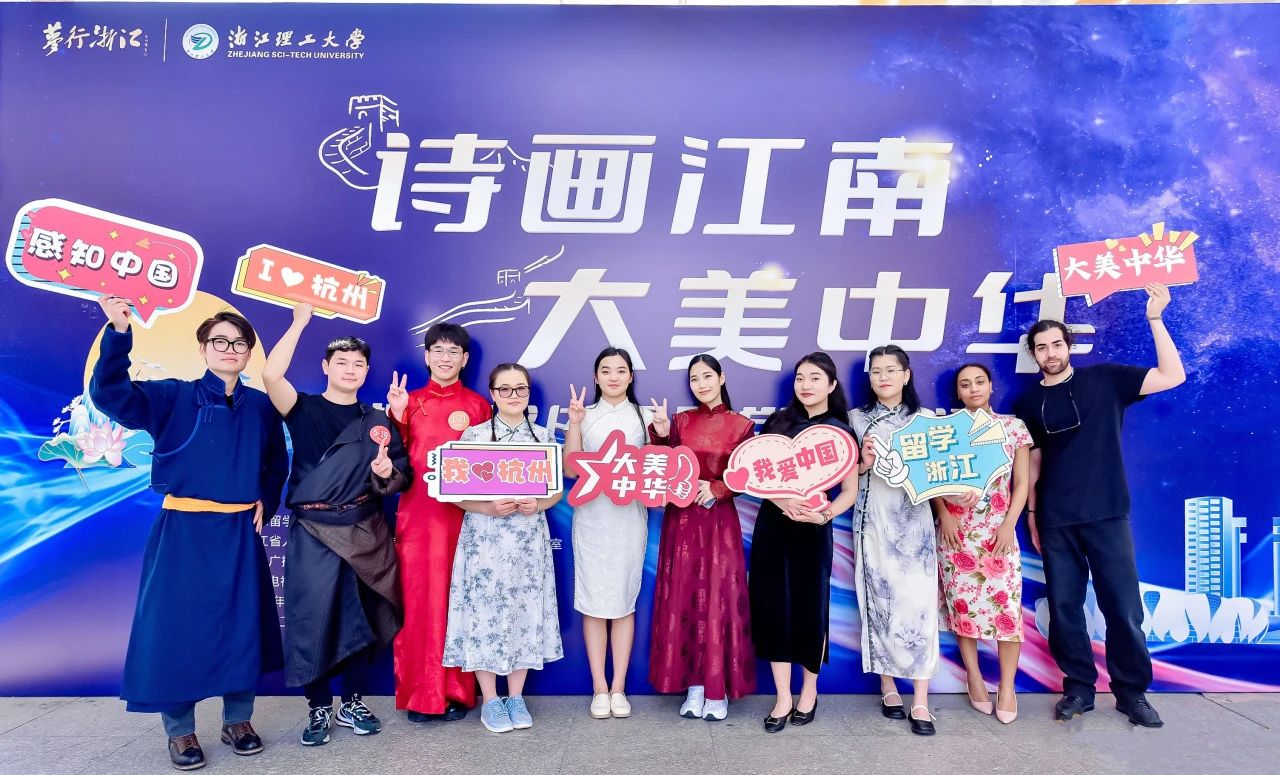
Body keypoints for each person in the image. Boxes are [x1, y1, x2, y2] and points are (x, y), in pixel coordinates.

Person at [89, 296, 287, 770]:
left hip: (239, 531)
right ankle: (180, 730)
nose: (229, 349)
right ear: (203, 348)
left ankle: (238, 720)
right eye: (220, 341)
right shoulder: (172, 397)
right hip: (183, 531)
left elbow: (275, 463)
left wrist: (266, 497)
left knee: (241, 625)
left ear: (249, 353)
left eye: (238, 343)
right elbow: (111, 394)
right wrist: (118, 334)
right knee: (175, 629)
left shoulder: (262, 407)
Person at [1013, 283, 1184, 728]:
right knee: (1064, 608)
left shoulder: (1107, 378)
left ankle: (1131, 693)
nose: (1050, 353)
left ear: (1068, 345)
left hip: (1107, 512)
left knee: (1123, 607)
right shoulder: (1027, 402)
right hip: (1056, 519)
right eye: (1041, 348)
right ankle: (1078, 689)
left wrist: (1155, 319)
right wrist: (1033, 514)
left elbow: (1172, 376)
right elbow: (1032, 464)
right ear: (1033, 354)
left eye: (1056, 344)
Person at [261, 303, 411, 747]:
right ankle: (318, 706)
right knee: (312, 619)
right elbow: (270, 375)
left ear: (366, 371)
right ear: (326, 367)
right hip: (313, 531)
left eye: (358, 363)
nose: (350, 369)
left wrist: (386, 472)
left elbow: (399, 474)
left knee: (361, 618)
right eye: (341, 362)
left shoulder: (377, 421)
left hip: (365, 529)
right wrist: (299, 323)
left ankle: (353, 703)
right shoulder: (302, 408)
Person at [443, 363, 564, 734]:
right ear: (493, 395)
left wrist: (538, 504)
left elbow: (556, 491)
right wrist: (487, 508)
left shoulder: (543, 437)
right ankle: (491, 700)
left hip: (528, 541)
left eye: (521, 389)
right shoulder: (474, 436)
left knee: (525, 610)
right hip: (484, 541)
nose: (514, 396)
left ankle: (516, 697)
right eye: (505, 389)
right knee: (483, 613)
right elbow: (454, 494)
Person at [386, 323, 492, 722]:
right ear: (427, 356)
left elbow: (491, 466)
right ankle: (421, 694)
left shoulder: (479, 407)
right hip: (418, 519)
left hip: (466, 519)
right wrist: (397, 417)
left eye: (453, 352)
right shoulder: (408, 402)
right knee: (419, 605)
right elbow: (389, 463)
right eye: (438, 350)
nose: (445, 358)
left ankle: (457, 692)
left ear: (465, 359)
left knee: (461, 600)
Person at [749, 352, 859, 734]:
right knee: (773, 607)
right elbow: (754, 476)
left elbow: (849, 491)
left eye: (815, 378)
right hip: (773, 526)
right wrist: (781, 501)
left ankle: (809, 691)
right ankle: (783, 696)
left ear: (831, 385)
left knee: (811, 607)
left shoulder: (841, 431)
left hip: (814, 529)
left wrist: (826, 515)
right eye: (800, 378)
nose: (806, 384)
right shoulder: (778, 423)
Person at [647, 354, 756, 721]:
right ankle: (694, 684)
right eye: (695, 379)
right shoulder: (680, 422)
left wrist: (718, 488)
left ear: (721, 378)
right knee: (685, 596)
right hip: (681, 522)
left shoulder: (742, 425)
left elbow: (749, 473)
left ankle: (716, 688)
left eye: (707, 376)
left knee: (718, 598)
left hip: (718, 523)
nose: (701, 384)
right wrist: (662, 433)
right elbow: (663, 465)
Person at [849, 344, 942, 736]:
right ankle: (887, 685)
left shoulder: (928, 420)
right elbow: (843, 476)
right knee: (879, 603)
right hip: (873, 525)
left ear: (906, 374)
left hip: (916, 529)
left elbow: (940, 474)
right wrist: (863, 463)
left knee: (920, 608)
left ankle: (920, 700)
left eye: (891, 370)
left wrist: (953, 502)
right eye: (876, 371)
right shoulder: (855, 419)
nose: (883, 377)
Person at [937, 363, 1032, 724]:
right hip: (956, 535)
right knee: (963, 609)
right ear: (958, 392)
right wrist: (944, 514)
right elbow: (931, 479)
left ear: (991, 386)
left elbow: (1021, 483)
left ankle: (1007, 687)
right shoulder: (945, 429)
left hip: (998, 533)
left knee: (1007, 611)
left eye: (979, 382)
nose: (973, 388)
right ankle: (974, 678)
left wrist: (1009, 524)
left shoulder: (1013, 427)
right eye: (965, 384)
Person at [564, 347, 655, 720]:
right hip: (592, 519)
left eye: (621, 370)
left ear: (631, 376)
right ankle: (599, 688)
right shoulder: (585, 414)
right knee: (593, 602)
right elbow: (571, 469)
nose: (613, 377)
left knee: (623, 602)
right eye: (606, 370)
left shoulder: (646, 417)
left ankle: (619, 687)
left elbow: (658, 474)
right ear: (596, 376)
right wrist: (574, 423)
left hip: (629, 520)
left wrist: (662, 436)